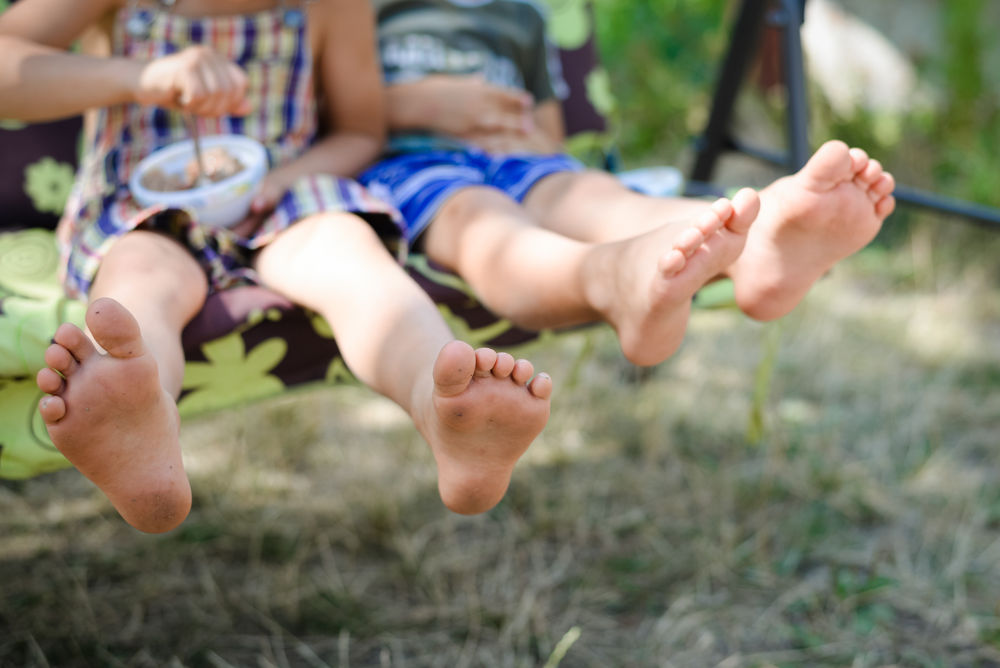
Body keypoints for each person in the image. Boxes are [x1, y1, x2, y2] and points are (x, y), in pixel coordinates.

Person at [0, 0, 557, 534]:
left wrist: (287, 181)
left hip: (283, 190)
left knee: (348, 253)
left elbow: (360, 132)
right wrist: (139, 77)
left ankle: (444, 409)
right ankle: (142, 430)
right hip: (142, 203)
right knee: (143, 276)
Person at [358, 0, 897, 358]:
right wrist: (419, 104)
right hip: (411, 164)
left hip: (519, 160)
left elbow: (550, 134)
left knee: (593, 195)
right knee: (482, 224)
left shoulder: (519, 15)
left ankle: (758, 246)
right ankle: (611, 280)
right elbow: (324, 117)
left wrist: (529, 145)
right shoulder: (361, 9)